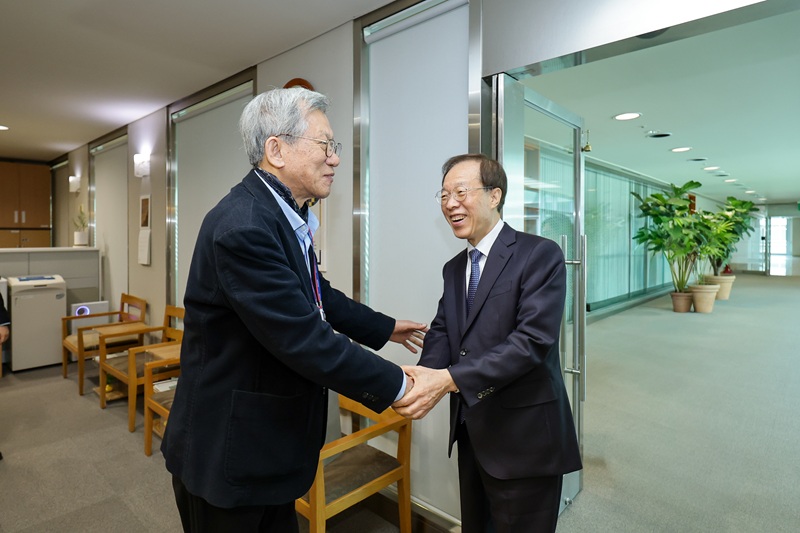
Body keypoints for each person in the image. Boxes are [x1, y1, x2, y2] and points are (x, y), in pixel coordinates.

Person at [162, 87, 428, 533]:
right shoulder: (244, 226)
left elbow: (316, 292)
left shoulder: (282, 214)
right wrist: (401, 386)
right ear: (276, 150)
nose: (335, 158)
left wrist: (384, 328)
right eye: (325, 144)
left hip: (268, 450)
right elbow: (303, 338)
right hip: (229, 454)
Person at [393, 154, 581, 532]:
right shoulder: (454, 268)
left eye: (461, 192)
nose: (450, 204)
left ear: (494, 196)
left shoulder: (539, 254)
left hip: (525, 437)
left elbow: (531, 342)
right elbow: (444, 331)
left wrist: (448, 380)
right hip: (472, 431)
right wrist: (420, 379)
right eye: (444, 195)